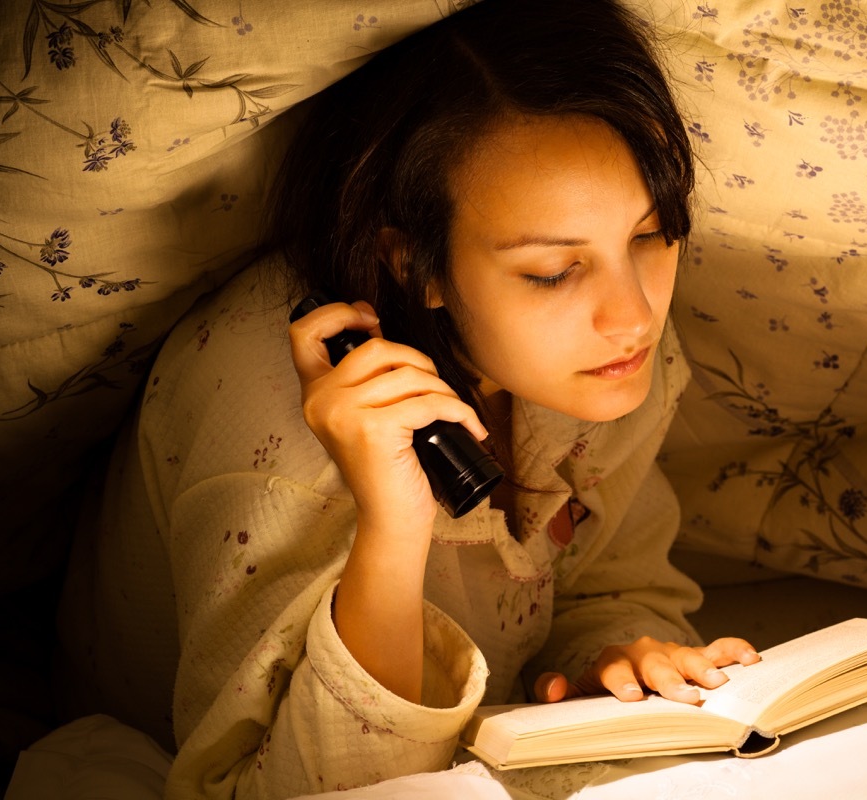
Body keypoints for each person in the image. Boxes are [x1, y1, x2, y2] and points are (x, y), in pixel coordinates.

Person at [57, 1, 759, 797]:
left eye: (652, 231)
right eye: (552, 272)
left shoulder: (600, 359)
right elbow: (281, 788)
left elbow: (610, 579)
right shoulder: (280, 455)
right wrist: (392, 530)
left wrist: (616, 652)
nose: (634, 315)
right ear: (413, 265)